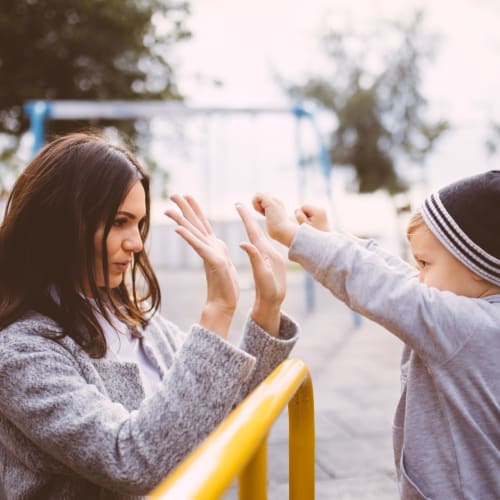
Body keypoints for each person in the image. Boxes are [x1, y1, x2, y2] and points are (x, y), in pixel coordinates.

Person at [0, 132, 298, 499]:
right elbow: (131, 461)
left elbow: (218, 415)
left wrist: (267, 307)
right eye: (120, 222)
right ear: (62, 223)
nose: (136, 243)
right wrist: (218, 311)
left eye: (139, 224)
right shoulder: (19, 353)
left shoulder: (140, 325)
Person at [252, 171, 500, 499]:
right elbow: (398, 274)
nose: (419, 276)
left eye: (426, 263)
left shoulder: (466, 327)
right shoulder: (480, 315)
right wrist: (329, 236)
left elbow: (383, 285)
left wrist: (294, 236)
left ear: (477, 266)